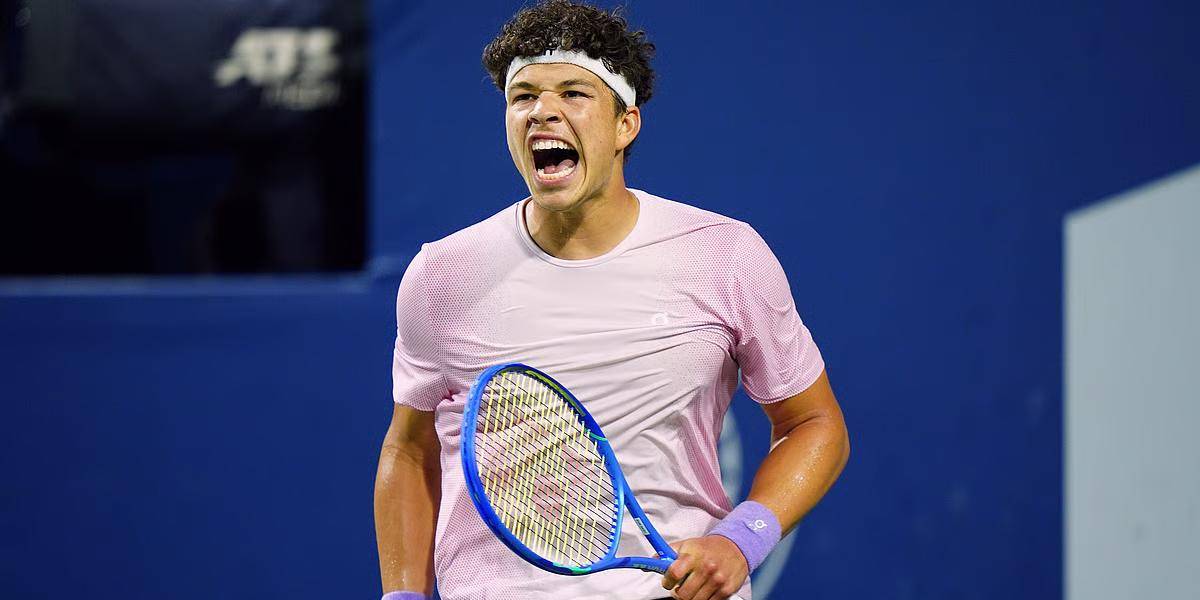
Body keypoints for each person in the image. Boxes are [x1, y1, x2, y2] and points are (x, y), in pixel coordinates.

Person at [374, 2, 849, 599]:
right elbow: (409, 449)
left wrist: (742, 539)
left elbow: (813, 422)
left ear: (626, 124)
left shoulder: (724, 256)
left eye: (574, 93)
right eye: (523, 97)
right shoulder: (442, 275)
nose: (542, 111)